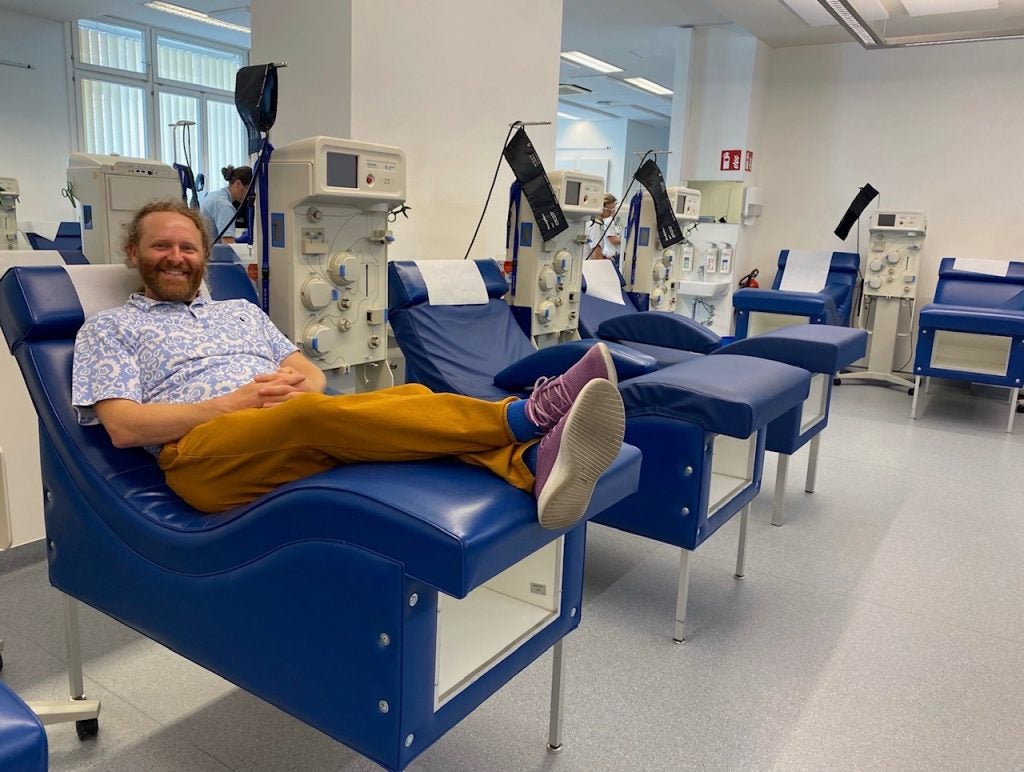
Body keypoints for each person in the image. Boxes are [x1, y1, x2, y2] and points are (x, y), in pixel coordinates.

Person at [71, 200, 626, 529]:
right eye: (161, 247)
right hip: (203, 461)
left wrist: (297, 386)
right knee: (313, 418)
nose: (175, 258)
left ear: (203, 256)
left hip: (281, 428)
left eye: (187, 247)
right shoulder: (110, 327)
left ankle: (531, 464)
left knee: (409, 398)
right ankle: (522, 418)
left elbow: (308, 373)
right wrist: (234, 403)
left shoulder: (239, 310)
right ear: (134, 254)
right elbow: (123, 428)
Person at [199, 165, 252, 244]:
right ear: (238, 183)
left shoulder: (214, 195)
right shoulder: (225, 207)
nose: (249, 195)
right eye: (249, 189)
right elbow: (228, 245)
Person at [586, 192, 622, 264]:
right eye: (609, 210)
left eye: (613, 209)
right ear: (601, 208)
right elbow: (596, 256)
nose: (612, 212)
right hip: (590, 266)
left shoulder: (593, 222)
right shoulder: (596, 225)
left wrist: (604, 257)